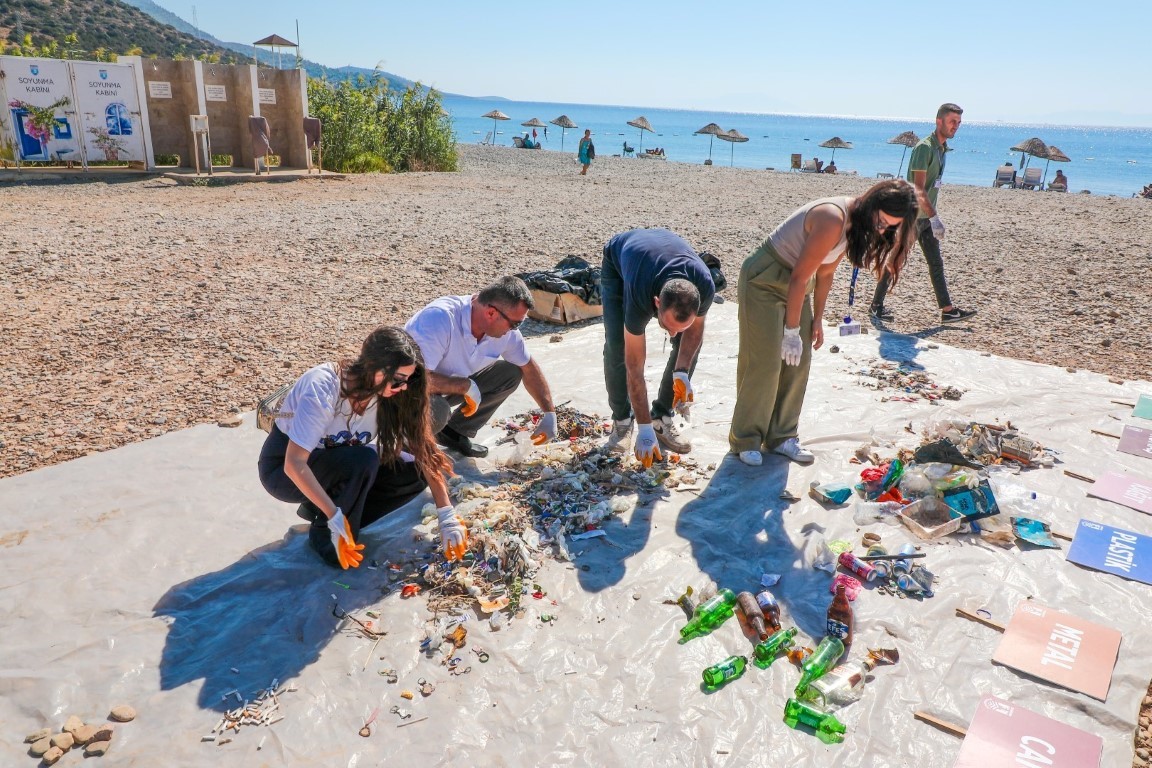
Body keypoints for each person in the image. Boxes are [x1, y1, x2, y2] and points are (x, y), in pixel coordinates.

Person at [730, 180, 920, 466]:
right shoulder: (833, 217)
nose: (882, 230)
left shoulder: (858, 226)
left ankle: (782, 436)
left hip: (798, 284)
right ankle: (746, 438)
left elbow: (826, 272)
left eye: (889, 228)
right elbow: (798, 277)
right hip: (765, 279)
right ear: (871, 204)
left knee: (799, 358)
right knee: (766, 360)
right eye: (881, 222)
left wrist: (817, 319)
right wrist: (791, 331)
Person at [258, 327, 464, 569]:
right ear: (374, 367)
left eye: (408, 380)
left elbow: (424, 451)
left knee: (414, 472)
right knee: (362, 460)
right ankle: (327, 532)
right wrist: (334, 518)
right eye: (398, 379)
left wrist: (446, 514)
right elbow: (294, 463)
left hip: (335, 464)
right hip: (284, 471)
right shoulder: (325, 385)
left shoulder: (389, 394)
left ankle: (328, 510)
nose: (404, 387)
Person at [405, 276, 556, 459]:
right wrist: (464, 386)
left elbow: (528, 367)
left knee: (510, 373)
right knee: (438, 410)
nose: (515, 329)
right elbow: (412, 378)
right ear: (491, 313)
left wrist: (549, 413)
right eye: (515, 323)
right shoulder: (440, 319)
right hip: (406, 392)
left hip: (447, 387)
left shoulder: (506, 333)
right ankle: (407, 449)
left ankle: (454, 432)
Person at [600, 229, 715, 466]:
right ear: (656, 303)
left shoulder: (704, 286)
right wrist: (643, 429)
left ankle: (661, 419)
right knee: (617, 345)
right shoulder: (640, 295)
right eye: (668, 325)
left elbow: (694, 333)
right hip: (621, 262)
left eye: (679, 327)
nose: (673, 334)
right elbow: (635, 368)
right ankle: (622, 423)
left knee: (691, 345)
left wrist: (682, 372)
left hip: (658, 255)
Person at [870, 103, 976, 325]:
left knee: (936, 262)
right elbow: (918, 189)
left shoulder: (942, 149)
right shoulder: (924, 148)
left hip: (925, 218)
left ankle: (947, 310)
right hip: (913, 218)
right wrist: (935, 218)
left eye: (958, 123)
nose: (955, 126)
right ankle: (876, 306)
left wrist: (932, 218)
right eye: (952, 122)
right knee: (896, 261)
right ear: (939, 121)